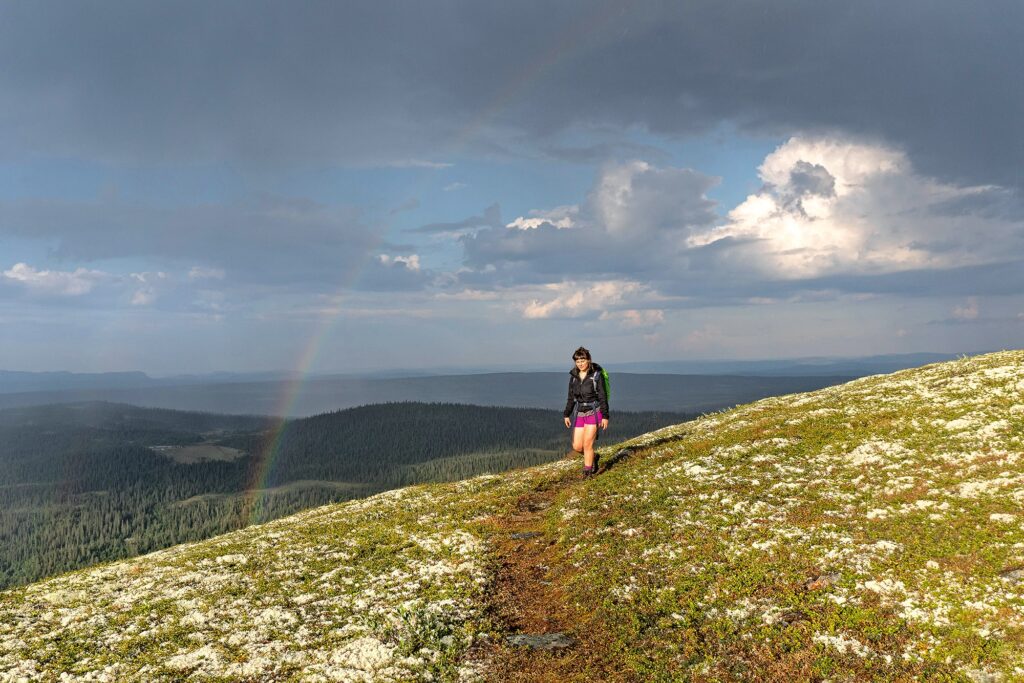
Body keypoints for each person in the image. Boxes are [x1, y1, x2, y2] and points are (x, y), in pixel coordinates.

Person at [563, 346, 609, 477]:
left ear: (588, 360)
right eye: (577, 361)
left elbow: (602, 396)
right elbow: (571, 398)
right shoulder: (573, 377)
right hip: (579, 413)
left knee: (587, 444)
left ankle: (587, 472)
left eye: (582, 360)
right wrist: (566, 414)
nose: (580, 364)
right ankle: (593, 457)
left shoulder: (596, 375)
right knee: (577, 446)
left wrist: (605, 416)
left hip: (594, 412)